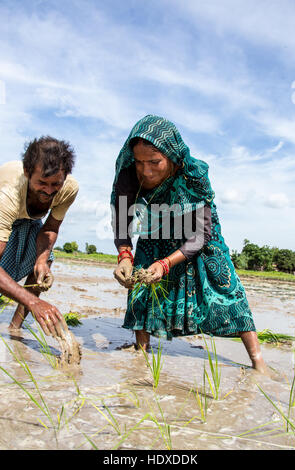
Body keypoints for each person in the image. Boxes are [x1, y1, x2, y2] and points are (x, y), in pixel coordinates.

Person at [111, 114, 268, 373]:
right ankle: (141, 357)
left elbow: (201, 234)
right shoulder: (129, 175)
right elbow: (122, 219)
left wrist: (166, 263)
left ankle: (258, 362)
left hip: (198, 233)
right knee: (141, 284)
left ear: (171, 157)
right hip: (155, 229)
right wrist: (125, 255)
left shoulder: (193, 174)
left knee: (225, 284)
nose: (146, 171)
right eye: (140, 162)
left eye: (154, 162)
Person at [0, 136, 79, 337]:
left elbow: (50, 227)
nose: (49, 191)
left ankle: (15, 328)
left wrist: (41, 260)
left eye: (55, 184)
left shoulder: (68, 189)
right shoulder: (9, 193)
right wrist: (34, 301)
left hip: (29, 219)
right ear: (27, 173)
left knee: (45, 260)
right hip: (6, 215)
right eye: (42, 183)